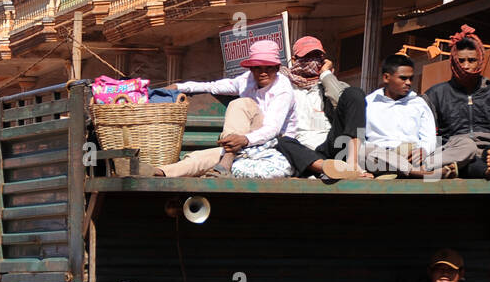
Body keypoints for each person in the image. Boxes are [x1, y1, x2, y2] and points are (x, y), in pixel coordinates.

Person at [157, 40, 309, 179]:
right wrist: (179, 87)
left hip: (272, 145)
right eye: (258, 68)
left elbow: (272, 129)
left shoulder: (282, 89)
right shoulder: (246, 80)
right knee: (198, 158)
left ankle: (228, 156)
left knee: (242, 103)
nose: (263, 72)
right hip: (241, 146)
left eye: (268, 68)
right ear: (251, 69)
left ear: (277, 68)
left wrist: (244, 140)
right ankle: (161, 172)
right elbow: (214, 86)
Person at [423, 26, 490, 179]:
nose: (466, 66)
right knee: (467, 160)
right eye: (461, 61)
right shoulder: (435, 95)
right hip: (457, 154)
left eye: (471, 60)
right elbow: (427, 137)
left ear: (480, 61)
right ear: (453, 62)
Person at [273, 36, 369, 178]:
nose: (312, 61)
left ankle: (352, 165)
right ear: (294, 60)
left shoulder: (328, 84)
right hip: (301, 150)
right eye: (307, 56)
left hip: (332, 146)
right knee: (282, 141)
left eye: (317, 56)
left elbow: (343, 101)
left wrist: (325, 74)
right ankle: (325, 168)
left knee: (354, 93)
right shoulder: (283, 85)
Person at [361, 53, 454, 178]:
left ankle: (402, 171)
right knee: (363, 151)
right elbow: (360, 139)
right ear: (386, 77)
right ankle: (415, 172)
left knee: (465, 144)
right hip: (381, 156)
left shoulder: (419, 103)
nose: (408, 83)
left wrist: (423, 150)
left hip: (414, 157)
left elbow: (430, 137)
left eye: (411, 78)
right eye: (403, 78)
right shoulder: (368, 103)